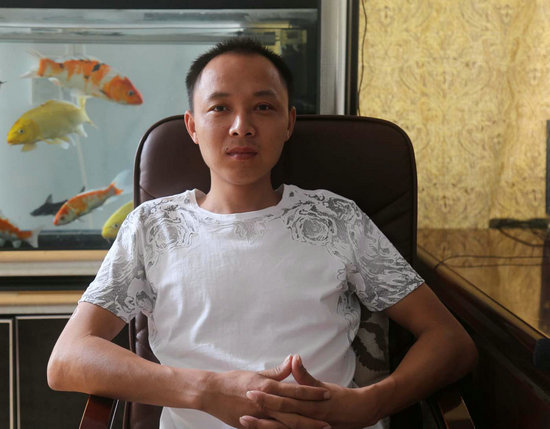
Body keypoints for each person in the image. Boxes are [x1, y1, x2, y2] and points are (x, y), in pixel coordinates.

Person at [47, 37, 477, 429]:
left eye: (263, 107)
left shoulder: (337, 218)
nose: (242, 126)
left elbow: (451, 341)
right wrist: (205, 391)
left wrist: (371, 403)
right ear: (192, 126)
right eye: (220, 108)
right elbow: (67, 359)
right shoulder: (153, 226)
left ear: (289, 123)